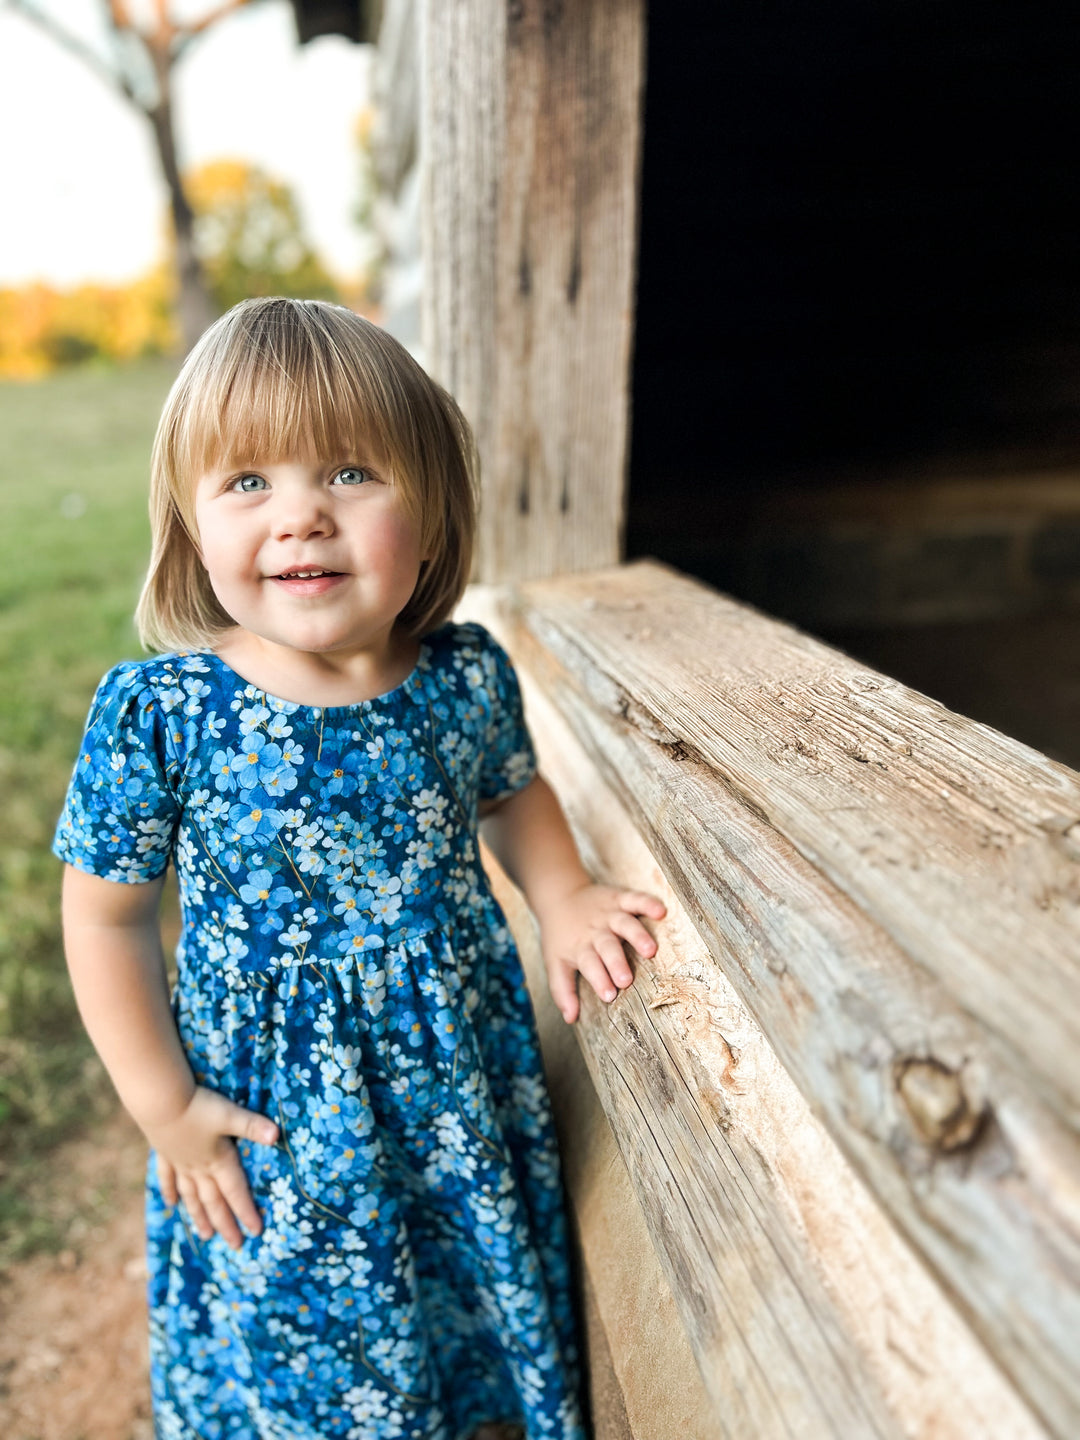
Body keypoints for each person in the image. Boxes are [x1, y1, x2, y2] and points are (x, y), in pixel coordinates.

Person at [54, 297, 666, 1440]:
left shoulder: (459, 679)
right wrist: (165, 1104)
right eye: (248, 484)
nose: (300, 520)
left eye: (347, 473)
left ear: (431, 520)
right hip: (276, 1113)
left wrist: (565, 891)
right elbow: (105, 920)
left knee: (455, 1294)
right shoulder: (161, 714)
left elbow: (509, 789)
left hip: (448, 1080)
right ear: (191, 528)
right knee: (311, 1347)